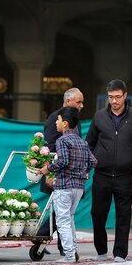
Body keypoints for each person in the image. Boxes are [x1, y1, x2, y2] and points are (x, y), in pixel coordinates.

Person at [86, 79, 132, 262]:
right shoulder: (99, 117)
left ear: (125, 96)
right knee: (98, 213)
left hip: (125, 176)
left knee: (123, 215)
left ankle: (120, 253)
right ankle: (101, 251)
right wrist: (85, 166)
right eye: (110, 97)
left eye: (117, 97)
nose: (114, 101)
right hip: (101, 175)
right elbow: (89, 144)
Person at [40, 107, 97, 263]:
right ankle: (73, 251)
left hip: (64, 185)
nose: (56, 123)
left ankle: (70, 255)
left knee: (63, 220)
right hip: (79, 186)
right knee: (70, 218)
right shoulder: (82, 142)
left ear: (65, 124)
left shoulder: (62, 140)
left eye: (58, 120)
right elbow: (93, 161)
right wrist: (84, 171)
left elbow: (63, 161)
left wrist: (48, 169)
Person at [36, 87, 84, 255]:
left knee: (64, 211)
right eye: (79, 102)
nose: (82, 105)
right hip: (58, 172)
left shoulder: (73, 120)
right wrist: (49, 173)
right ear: (68, 101)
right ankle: (44, 236)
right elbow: (48, 147)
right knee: (64, 212)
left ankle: (46, 238)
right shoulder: (54, 119)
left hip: (71, 174)